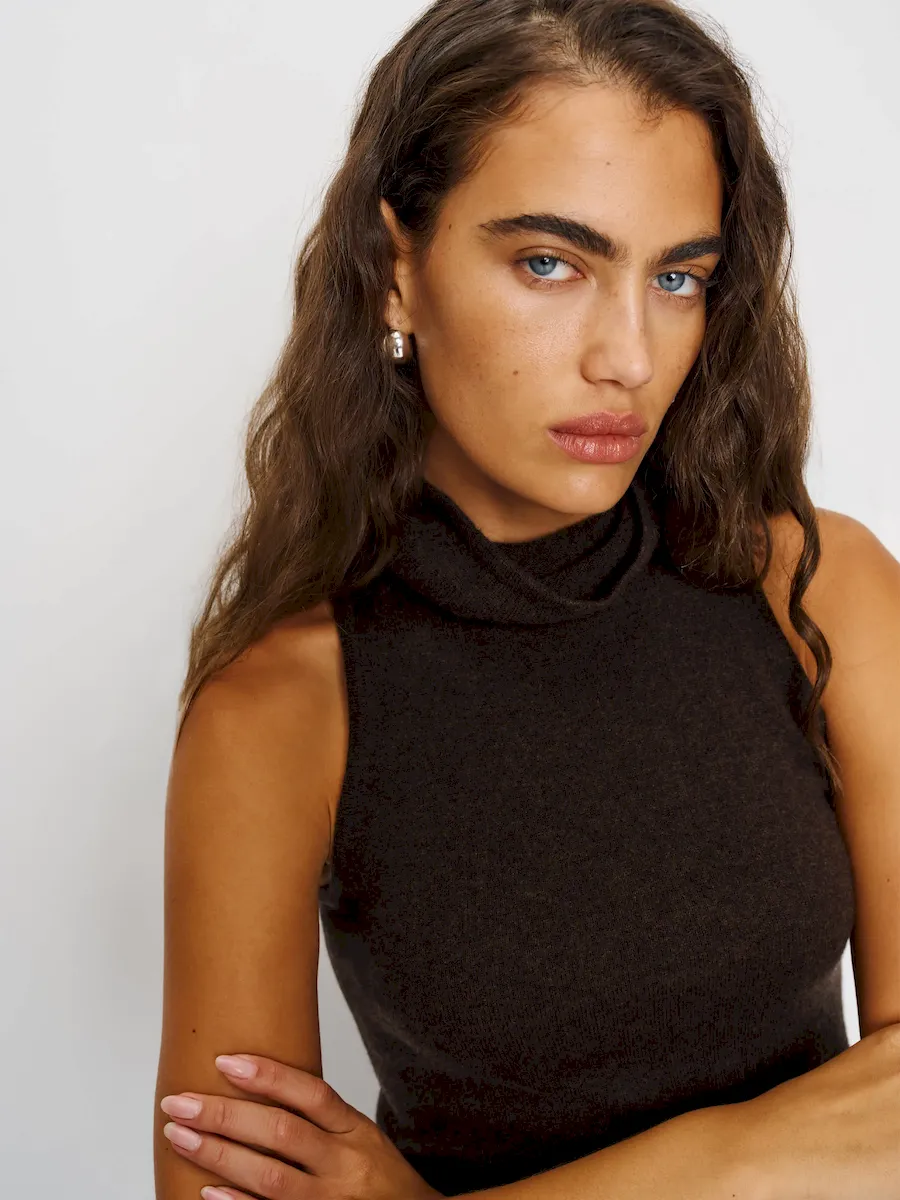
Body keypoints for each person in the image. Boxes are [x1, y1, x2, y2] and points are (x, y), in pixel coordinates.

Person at [153, 1, 900, 1198]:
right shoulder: (280, 708)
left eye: (679, 277)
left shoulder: (820, 590)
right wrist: (777, 1155)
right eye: (551, 263)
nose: (630, 357)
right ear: (396, 271)